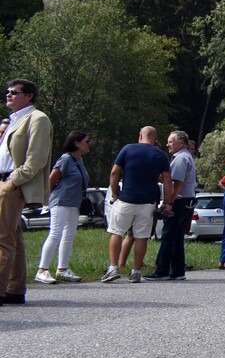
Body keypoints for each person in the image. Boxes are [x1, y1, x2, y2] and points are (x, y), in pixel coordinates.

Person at [0, 80, 53, 304]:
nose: (8, 95)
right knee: (13, 237)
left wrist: (12, 182)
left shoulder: (38, 118)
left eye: (14, 92)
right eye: (7, 92)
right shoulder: (14, 120)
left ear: (29, 96)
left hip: (13, 183)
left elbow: (37, 158)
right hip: (6, 180)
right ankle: (14, 289)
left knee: (2, 239)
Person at [103, 127, 174, 283]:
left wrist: (115, 194)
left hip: (126, 199)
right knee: (141, 237)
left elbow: (115, 173)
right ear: (155, 139)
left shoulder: (127, 149)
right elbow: (167, 180)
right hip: (147, 202)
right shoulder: (160, 155)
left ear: (140, 136)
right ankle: (136, 271)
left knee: (116, 232)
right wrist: (167, 202)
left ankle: (113, 268)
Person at [34, 131, 91, 285]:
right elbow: (52, 178)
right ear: (76, 143)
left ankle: (62, 269)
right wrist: (46, 198)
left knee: (68, 236)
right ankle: (42, 270)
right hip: (61, 201)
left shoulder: (79, 160)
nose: (89, 144)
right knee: (55, 233)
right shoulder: (66, 159)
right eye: (86, 141)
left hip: (74, 203)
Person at [146, 130, 196, 281]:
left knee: (168, 236)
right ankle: (178, 270)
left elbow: (177, 183)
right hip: (186, 201)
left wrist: (168, 202)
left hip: (179, 202)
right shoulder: (186, 157)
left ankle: (162, 270)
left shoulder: (180, 159)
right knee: (177, 237)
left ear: (181, 143)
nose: (167, 144)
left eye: (170, 141)